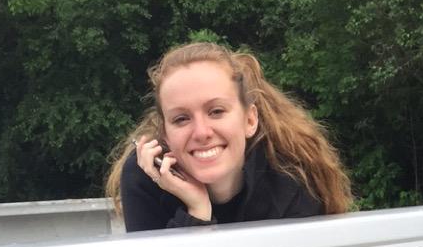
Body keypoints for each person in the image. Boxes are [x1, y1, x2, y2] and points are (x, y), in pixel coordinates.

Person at [106, 42, 352, 232]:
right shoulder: (144, 178)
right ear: (165, 135)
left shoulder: (291, 171)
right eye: (181, 119)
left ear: (250, 120)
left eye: (216, 111)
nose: (202, 132)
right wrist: (197, 212)